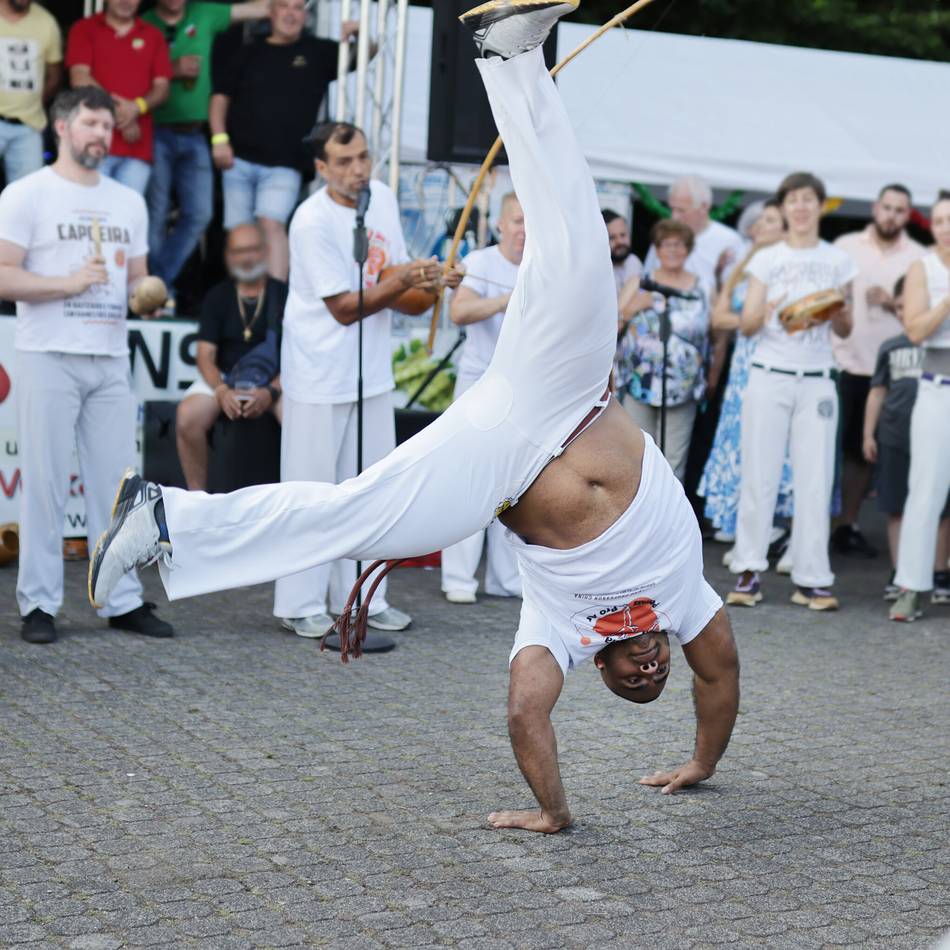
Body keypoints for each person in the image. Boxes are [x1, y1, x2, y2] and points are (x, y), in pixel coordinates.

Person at [89, 1, 740, 834]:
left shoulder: (560, 634)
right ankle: (510, 57)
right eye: (658, 673)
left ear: (603, 674)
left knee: (350, 514)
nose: (652, 667)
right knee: (580, 242)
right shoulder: (686, 601)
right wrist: (703, 761)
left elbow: (525, 714)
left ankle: (161, 519)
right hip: (575, 393)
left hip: (500, 454)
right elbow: (719, 682)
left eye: (633, 681)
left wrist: (554, 812)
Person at [0, 85, 173, 644]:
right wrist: (67, 284)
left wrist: (151, 295)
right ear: (62, 128)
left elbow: (137, 284)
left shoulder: (128, 200)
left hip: (108, 356)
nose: (102, 134)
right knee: (45, 484)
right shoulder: (27, 194)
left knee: (120, 488)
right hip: (47, 352)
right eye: (91, 124)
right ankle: (39, 605)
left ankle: (121, 601)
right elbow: (4, 275)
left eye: (107, 125)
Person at [272, 120, 446, 638]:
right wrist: (406, 277)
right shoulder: (310, 220)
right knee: (311, 492)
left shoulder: (383, 199)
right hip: (319, 372)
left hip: (371, 373)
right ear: (321, 168)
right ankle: (299, 602)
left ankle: (363, 598)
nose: (358, 170)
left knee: (373, 490)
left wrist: (430, 285)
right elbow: (345, 308)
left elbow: (398, 290)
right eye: (344, 162)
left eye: (364, 157)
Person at [727, 171, 856, 611]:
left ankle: (813, 577)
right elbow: (745, 327)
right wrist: (764, 312)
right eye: (793, 200)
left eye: (808, 199)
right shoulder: (767, 258)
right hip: (770, 373)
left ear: (819, 206)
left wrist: (832, 310)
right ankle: (748, 569)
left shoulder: (837, 260)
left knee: (815, 479)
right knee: (759, 474)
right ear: (784, 209)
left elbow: (847, 325)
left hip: (818, 377)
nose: (800, 207)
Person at [209, 0, 365, 280]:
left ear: (305, 16)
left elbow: (366, 54)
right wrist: (219, 139)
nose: (290, 14)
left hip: (286, 164)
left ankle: (275, 303)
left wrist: (361, 34)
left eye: (297, 8)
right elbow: (219, 97)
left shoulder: (318, 51)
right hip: (239, 160)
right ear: (271, 12)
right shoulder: (247, 51)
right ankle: (242, 307)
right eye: (284, 6)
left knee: (272, 224)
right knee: (238, 234)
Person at [141, 0, 268, 301]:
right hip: (155, 130)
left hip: (196, 132)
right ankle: (157, 291)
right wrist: (171, 70)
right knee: (155, 214)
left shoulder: (204, 12)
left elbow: (260, 9)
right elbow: (130, 76)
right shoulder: (144, 23)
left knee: (200, 214)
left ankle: (155, 283)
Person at [831, 184, 926, 559]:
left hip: (888, 370)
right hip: (841, 360)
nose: (891, 215)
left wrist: (892, 303)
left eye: (900, 210)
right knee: (829, 452)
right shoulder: (845, 246)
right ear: (875, 207)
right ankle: (814, 527)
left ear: (908, 215)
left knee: (862, 454)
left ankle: (847, 525)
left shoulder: (918, 258)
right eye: (886, 207)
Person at [440, 191, 524, 605]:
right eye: (517, 221)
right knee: (468, 479)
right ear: (500, 225)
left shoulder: (540, 265)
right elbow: (460, 312)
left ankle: (505, 577)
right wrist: (506, 300)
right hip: (479, 384)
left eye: (530, 222)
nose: (523, 231)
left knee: (516, 483)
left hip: (522, 389)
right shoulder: (481, 261)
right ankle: (458, 576)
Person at [699, 199, 793, 547]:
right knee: (740, 438)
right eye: (761, 221)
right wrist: (751, 321)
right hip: (742, 366)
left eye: (771, 221)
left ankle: (778, 522)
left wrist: (754, 323)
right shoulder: (744, 265)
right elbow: (719, 317)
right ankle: (741, 517)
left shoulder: (786, 265)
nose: (761, 227)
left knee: (774, 441)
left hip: (772, 357)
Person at [175, 223, 286, 491]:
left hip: (278, 380)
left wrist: (271, 391)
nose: (246, 258)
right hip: (225, 378)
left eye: (252, 249)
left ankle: (296, 501)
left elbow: (300, 357)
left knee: (300, 422)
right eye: (238, 251)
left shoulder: (285, 294)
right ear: (227, 256)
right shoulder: (219, 296)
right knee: (187, 417)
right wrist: (222, 390)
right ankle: (196, 499)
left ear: (266, 251)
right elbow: (204, 355)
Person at [863, 275, 950, 606]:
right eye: (898, 307)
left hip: (935, 434)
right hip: (897, 437)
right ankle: (900, 573)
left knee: (941, 509)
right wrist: (869, 433)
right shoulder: (891, 346)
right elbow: (877, 392)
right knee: (896, 506)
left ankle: (940, 571)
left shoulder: (940, 343)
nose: (904, 312)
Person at [889, 192, 950, 622]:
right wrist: (946, 300)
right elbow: (915, 329)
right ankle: (911, 586)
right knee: (926, 488)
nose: (947, 227)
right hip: (937, 387)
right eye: (942, 220)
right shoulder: (922, 268)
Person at [616, 218, 709, 479]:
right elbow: (612, 325)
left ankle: (669, 518)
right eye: (666, 244)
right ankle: (638, 517)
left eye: (679, 245)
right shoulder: (639, 282)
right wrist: (633, 307)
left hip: (682, 385)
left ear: (688, 250)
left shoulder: (700, 287)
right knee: (637, 455)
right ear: (656, 250)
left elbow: (712, 336)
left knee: (673, 460)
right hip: (640, 383)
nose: (672, 250)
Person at [64, 0, 172, 195]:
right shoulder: (84, 28)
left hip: (137, 148)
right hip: (91, 144)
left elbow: (163, 88)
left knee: (127, 218)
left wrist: (137, 108)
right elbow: (79, 77)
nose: (126, 1)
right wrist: (119, 112)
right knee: (88, 215)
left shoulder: (154, 35)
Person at [643, 175, 745, 296]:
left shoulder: (729, 240)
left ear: (704, 206)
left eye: (681, 210)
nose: (674, 216)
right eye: (672, 209)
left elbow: (738, 288)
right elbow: (647, 279)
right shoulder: (662, 238)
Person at [0, 0, 61, 181]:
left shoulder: (46, 22)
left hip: (29, 125)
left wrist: (31, 103)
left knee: (26, 195)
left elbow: (55, 76)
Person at [602, 209, 642, 296]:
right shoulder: (597, 268)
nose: (619, 241)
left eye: (623, 235)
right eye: (612, 237)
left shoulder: (633, 261)